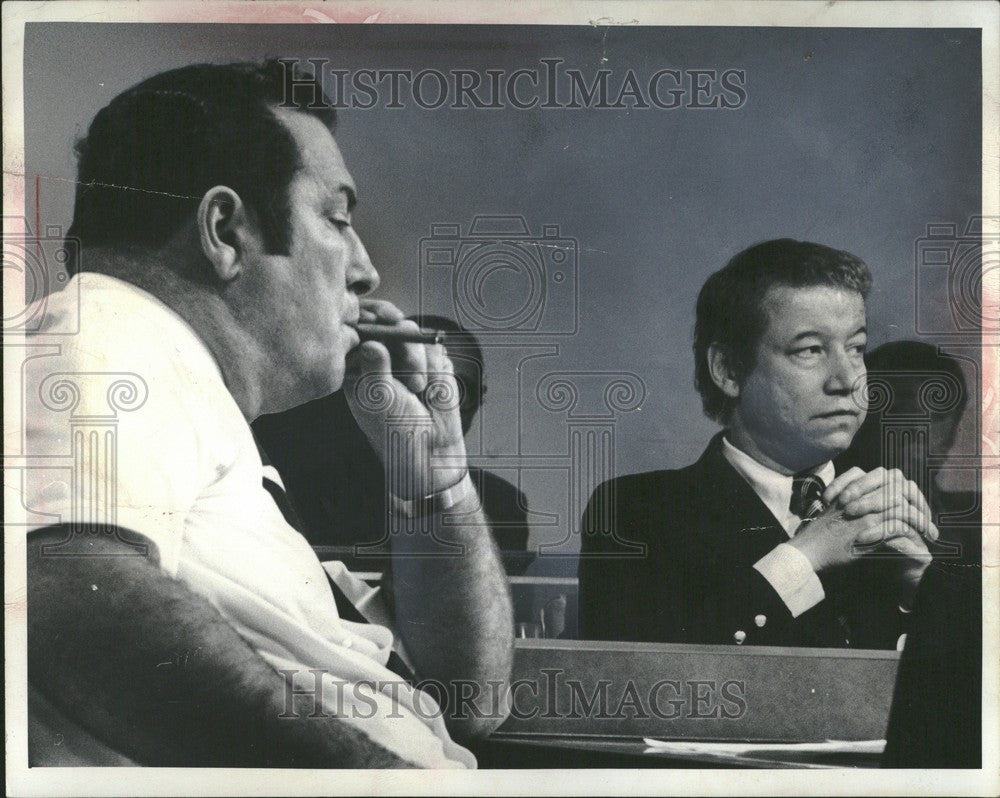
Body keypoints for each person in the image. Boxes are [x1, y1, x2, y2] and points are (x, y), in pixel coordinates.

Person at [24, 61, 513, 768]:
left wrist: (435, 476)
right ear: (225, 230)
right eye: (338, 218)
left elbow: (470, 704)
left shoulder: (187, 394)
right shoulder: (105, 330)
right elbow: (67, 595)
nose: (365, 270)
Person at [578, 239, 939, 648]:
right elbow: (643, 685)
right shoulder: (635, 510)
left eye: (856, 348)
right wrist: (805, 557)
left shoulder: (894, 509)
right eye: (810, 349)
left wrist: (924, 593)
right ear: (728, 370)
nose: (847, 381)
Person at [253, 314, 533, 567]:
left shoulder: (502, 506)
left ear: (478, 401)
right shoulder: (301, 484)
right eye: (411, 381)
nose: (431, 401)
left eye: (457, 390)